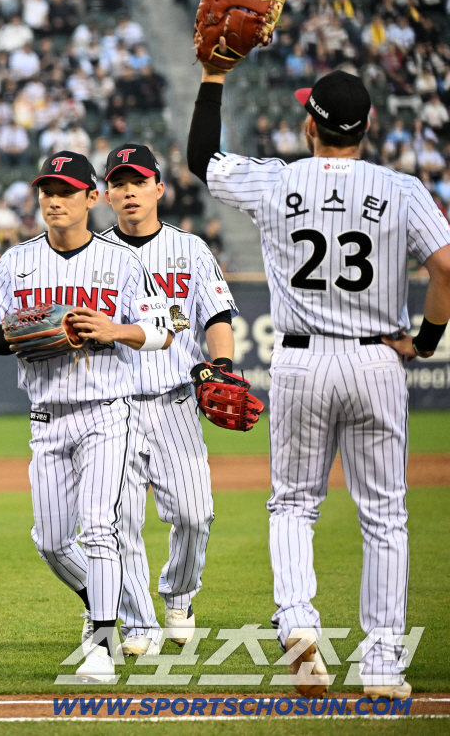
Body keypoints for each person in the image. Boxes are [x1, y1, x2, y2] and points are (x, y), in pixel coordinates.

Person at [188, 61, 450, 701]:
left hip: (302, 359)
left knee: (294, 504)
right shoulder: (402, 189)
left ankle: (300, 624)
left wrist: (213, 75)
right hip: (376, 361)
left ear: (310, 124)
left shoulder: (276, 181)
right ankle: (383, 661)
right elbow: (446, 265)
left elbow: (201, 158)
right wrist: (427, 339)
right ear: (370, 126)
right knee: (384, 514)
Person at [0, 151, 173, 682]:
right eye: (46, 192)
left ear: (91, 198)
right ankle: (103, 606)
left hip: (106, 411)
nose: (53, 201)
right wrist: (35, 328)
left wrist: (113, 330)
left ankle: (103, 644)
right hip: (45, 417)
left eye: (65, 191)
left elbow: (160, 332)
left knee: (100, 528)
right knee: (52, 540)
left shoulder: (122, 262)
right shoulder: (17, 262)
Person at [97, 144, 239, 656]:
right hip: (113, 405)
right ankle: (138, 623)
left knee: (195, 514)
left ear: (160, 188)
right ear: (106, 194)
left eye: (139, 181)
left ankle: (179, 595)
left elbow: (217, 316)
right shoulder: (95, 255)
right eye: (119, 182)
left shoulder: (191, 249)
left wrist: (220, 367)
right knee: (120, 522)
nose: (129, 191)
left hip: (176, 400)